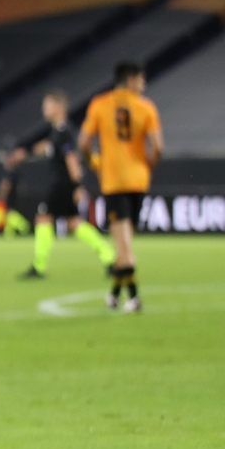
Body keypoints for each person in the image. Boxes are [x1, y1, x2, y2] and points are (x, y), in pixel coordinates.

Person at [79, 61, 163, 312]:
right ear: (130, 80)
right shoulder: (146, 107)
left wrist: (95, 162)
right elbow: (158, 147)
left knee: (123, 246)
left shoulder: (100, 104)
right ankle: (115, 296)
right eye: (141, 80)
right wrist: (147, 166)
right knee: (125, 244)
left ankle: (134, 298)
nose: (143, 84)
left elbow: (84, 142)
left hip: (114, 181)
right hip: (138, 180)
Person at [13, 89, 116, 279]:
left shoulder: (64, 131)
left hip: (63, 184)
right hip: (65, 184)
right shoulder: (58, 132)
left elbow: (72, 160)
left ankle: (39, 266)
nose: (44, 109)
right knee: (73, 223)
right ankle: (109, 257)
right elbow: (46, 147)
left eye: (48, 105)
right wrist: (24, 152)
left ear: (59, 108)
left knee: (44, 217)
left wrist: (77, 186)